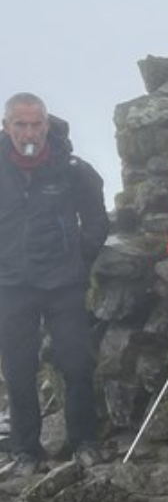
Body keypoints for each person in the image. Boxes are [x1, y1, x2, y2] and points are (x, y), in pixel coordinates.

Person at [0, 93, 109, 476]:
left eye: (36, 124)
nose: (29, 132)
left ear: (46, 125)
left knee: (77, 362)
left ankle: (85, 442)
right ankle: (26, 452)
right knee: (17, 368)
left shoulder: (72, 168)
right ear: (6, 126)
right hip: (11, 286)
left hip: (64, 283)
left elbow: (96, 217)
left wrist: (79, 260)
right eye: (20, 124)